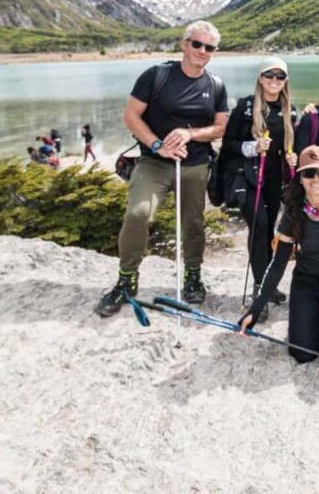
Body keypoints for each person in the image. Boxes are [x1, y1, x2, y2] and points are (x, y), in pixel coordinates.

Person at [95, 20, 229, 317]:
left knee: (193, 222)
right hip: (154, 162)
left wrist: (190, 134)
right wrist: (159, 146)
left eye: (209, 47)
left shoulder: (215, 86)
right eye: (197, 44)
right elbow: (131, 116)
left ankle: (193, 275)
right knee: (138, 213)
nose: (202, 51)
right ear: (184, 44)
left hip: (194, 164)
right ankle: (127, 279)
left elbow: (221, 128)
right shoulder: (156, 76)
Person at [239, 145, 319, 363]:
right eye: (309, 173)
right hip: (308, 280)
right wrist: (256, 307)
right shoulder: (292, 213)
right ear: (300, 178)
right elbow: (278, 265)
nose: (315, 179)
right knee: (302, 353)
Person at [221, 57, 297, 321]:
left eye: (280, 77)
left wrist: (292, 158)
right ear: (260, 77)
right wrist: (252, 147)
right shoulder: (245, 106)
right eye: (269, 75)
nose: (274, 81)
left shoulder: (290, 110)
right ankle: (259, 289)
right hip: (249, 178)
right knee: (260, 226)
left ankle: (267, 283)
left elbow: (290, 147)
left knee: (267, 232)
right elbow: (228, 143)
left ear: (285, 81)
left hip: (274, 180)